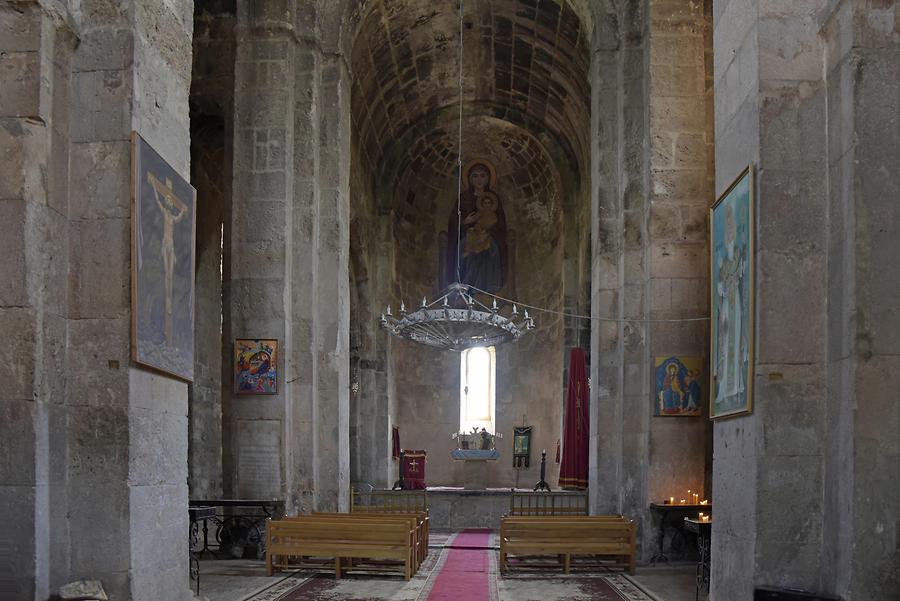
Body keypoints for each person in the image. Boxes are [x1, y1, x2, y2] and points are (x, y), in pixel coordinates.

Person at [444, 161, 508, 293]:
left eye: (483, 176)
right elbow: (453, 223)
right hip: (468, 237)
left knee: (493, 250)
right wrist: (466, 222)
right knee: (464, 249)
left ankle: (489, 288)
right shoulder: (464, 198)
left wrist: (489, 230)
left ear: (488, 178)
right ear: (470, 179)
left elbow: (501, 224)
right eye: (475, 176)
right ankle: (464, 287)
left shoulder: (493, 199)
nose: (479, 179)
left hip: (489, 237)